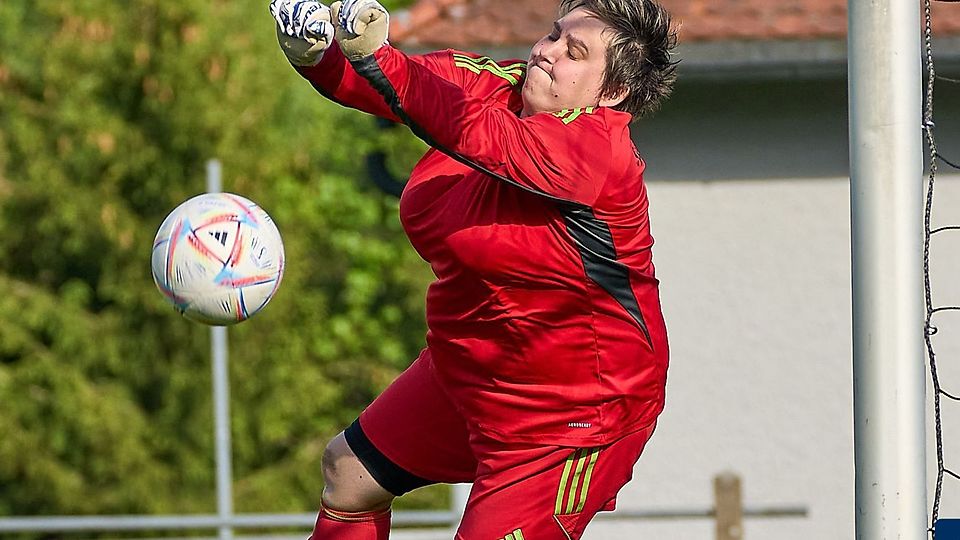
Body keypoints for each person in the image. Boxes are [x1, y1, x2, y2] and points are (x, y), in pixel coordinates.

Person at [269, 0, 678, 538]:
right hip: (471, 369)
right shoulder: (499, 87)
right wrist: (319, 55)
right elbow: (405, 82)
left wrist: (378, 59)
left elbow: (468, 129)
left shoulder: (598, 151)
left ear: (613, 92)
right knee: (349, 475)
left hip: (570, 417)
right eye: (553, 35)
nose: (546, 52)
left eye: (574, 52)